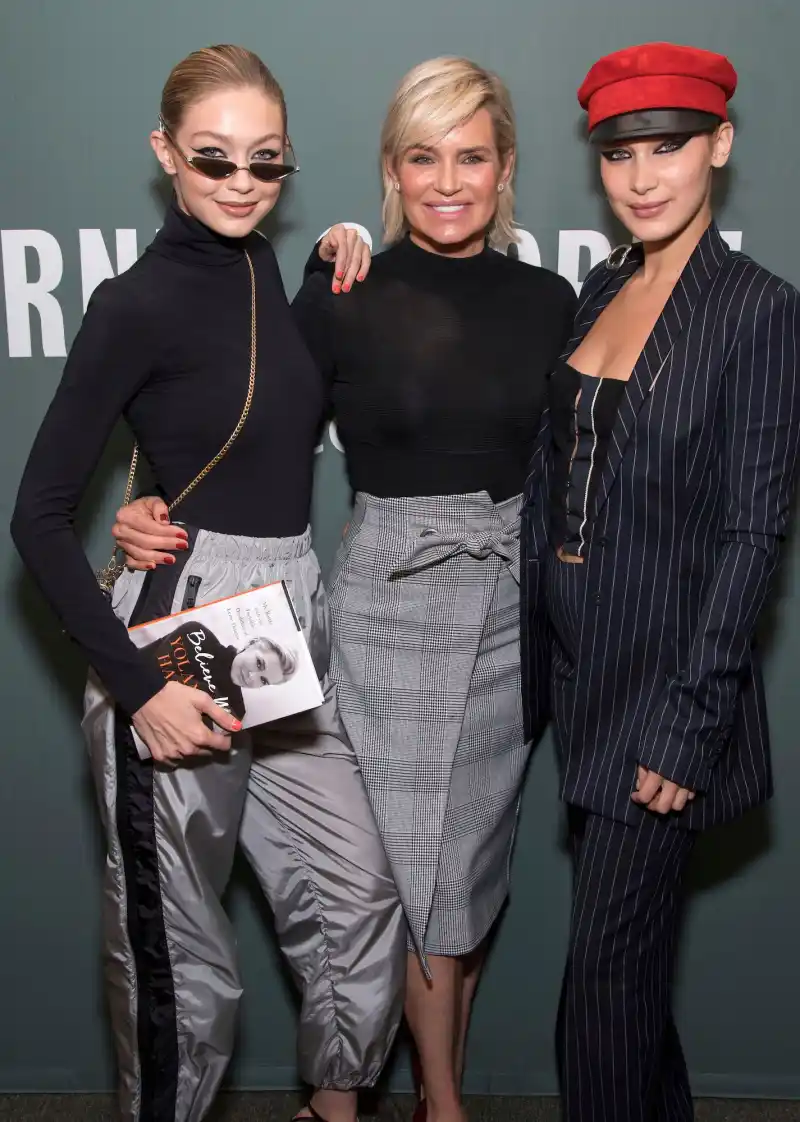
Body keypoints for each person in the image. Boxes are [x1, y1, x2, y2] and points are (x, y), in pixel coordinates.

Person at [112, 56, 577, 1122]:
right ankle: (430, 1102)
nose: (446, 181)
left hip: (507, 611)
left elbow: (576, 465)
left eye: (470, 156)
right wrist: (144, 503)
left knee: (460, 871)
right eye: (422, 157)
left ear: (505, 167)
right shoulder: (336, 289)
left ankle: (396, 1095)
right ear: (390, 170)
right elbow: (232, 411)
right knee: (404, 867)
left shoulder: (551, 300)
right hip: (382, 606)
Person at [11, 44, 406, 1122]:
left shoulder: (266, 270)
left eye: (264, 165)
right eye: (213, 160)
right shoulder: (131, 302)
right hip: (173, 639)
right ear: (164, 155)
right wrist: (138, 688)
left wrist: (345, 243)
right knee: (183, 968)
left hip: (282, 621)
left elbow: (240, 415)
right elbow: (36, 517)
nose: (239, 184)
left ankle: (332, 1106)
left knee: (357, 895)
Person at [520, 42, 800, 1121]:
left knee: (596, 987)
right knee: (626, 980)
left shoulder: (755, 311)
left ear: (718, 148)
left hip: (662, 700)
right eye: (618, 154)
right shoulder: (599, 287)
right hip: (582, 682)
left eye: (667, 149)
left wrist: (688, 729)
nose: (640, 178)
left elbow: (749, 535)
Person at [137, 623, 299, 722]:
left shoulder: (235, 712)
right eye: (259, 663)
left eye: (263, 681)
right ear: (251, 644)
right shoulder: (197, 634)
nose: (252, 677)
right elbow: (145, 672)